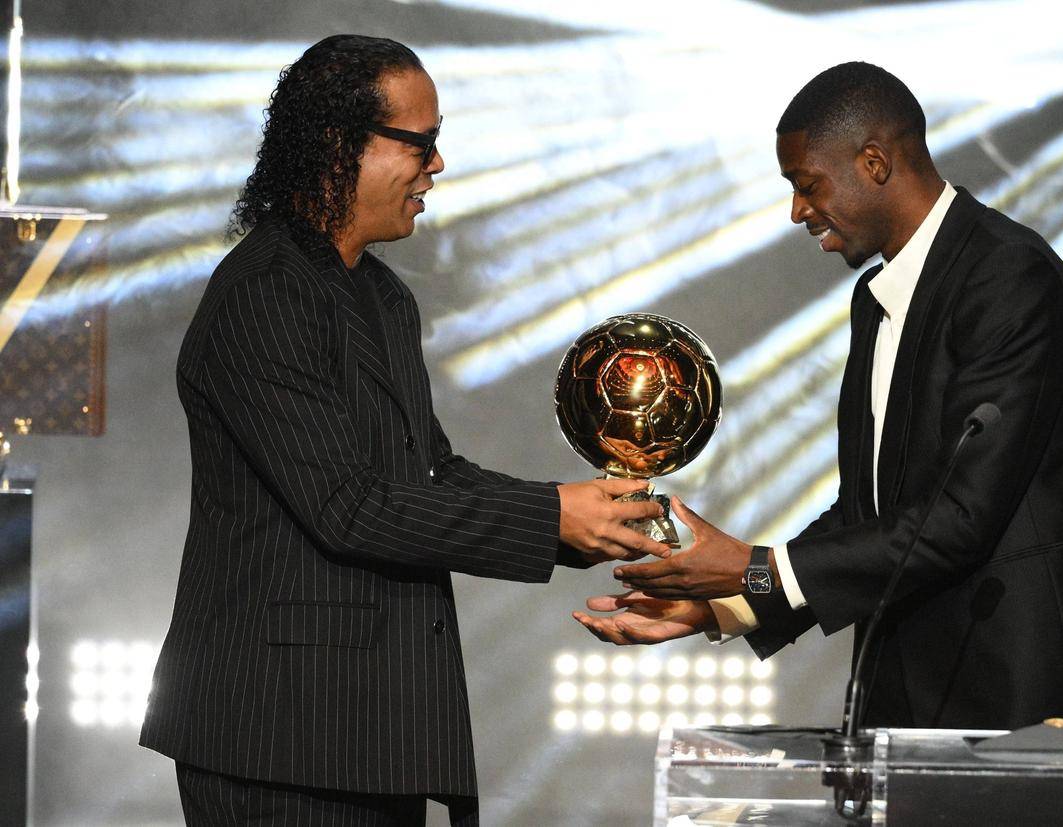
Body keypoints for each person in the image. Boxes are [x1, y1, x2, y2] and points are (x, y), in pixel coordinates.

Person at [139, 34, 667, 826]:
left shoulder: (381, 295)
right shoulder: (265, 293)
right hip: (280, 735)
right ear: (337, 145)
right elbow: (346, 506)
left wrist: (582, 518)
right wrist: (550, 516)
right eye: (421, 143)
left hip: (370, 729)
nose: (437, 165)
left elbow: (430, 473)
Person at [576, 62, 1063, 731]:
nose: (797, 211)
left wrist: (754, 568)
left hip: (1007, 694)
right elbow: (871, 511)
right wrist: (728, 601)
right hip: (896, 686)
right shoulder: (874, 299)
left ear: (874, 162)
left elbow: (960, 515)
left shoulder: (1009, 278)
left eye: (807, 185)